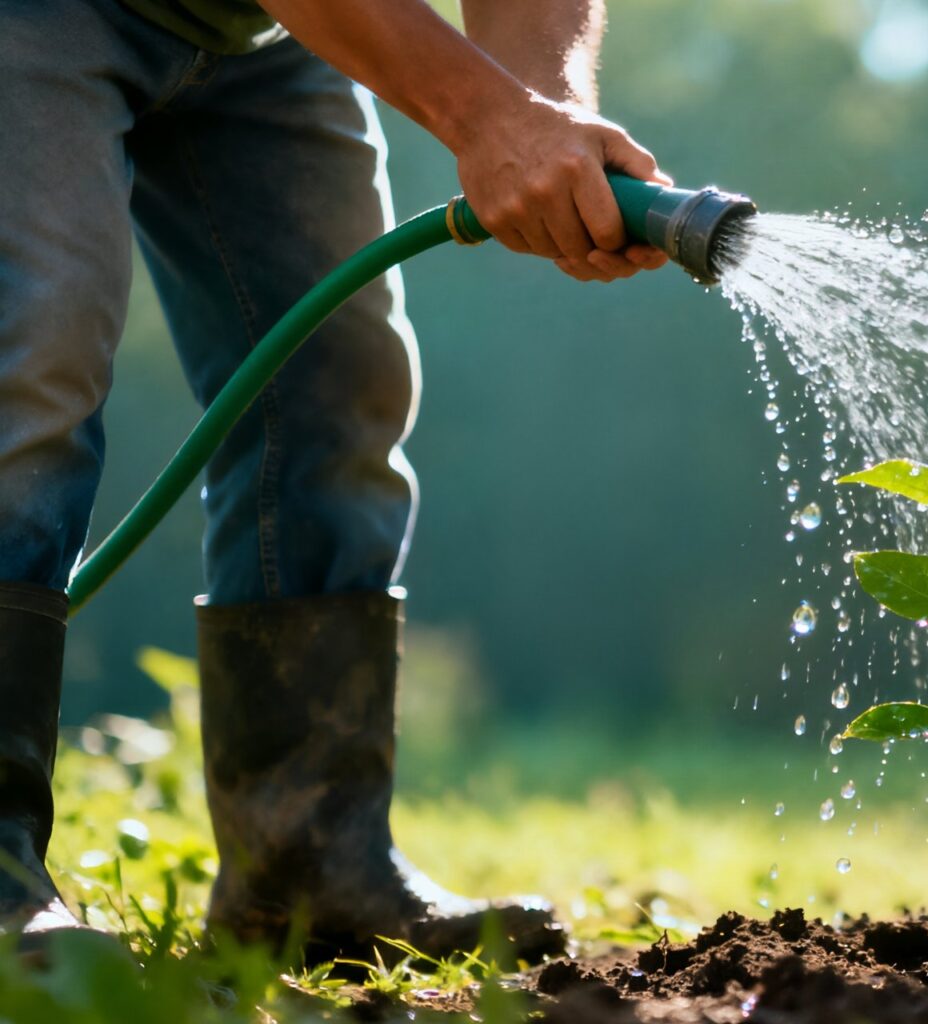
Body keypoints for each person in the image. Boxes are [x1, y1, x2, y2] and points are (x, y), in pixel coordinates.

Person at [0, 0, 672, 961]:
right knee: (33, 359)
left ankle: (308, 873)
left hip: (254, 34)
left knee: (337, 381)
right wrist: (491, 119)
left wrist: (546, 108)